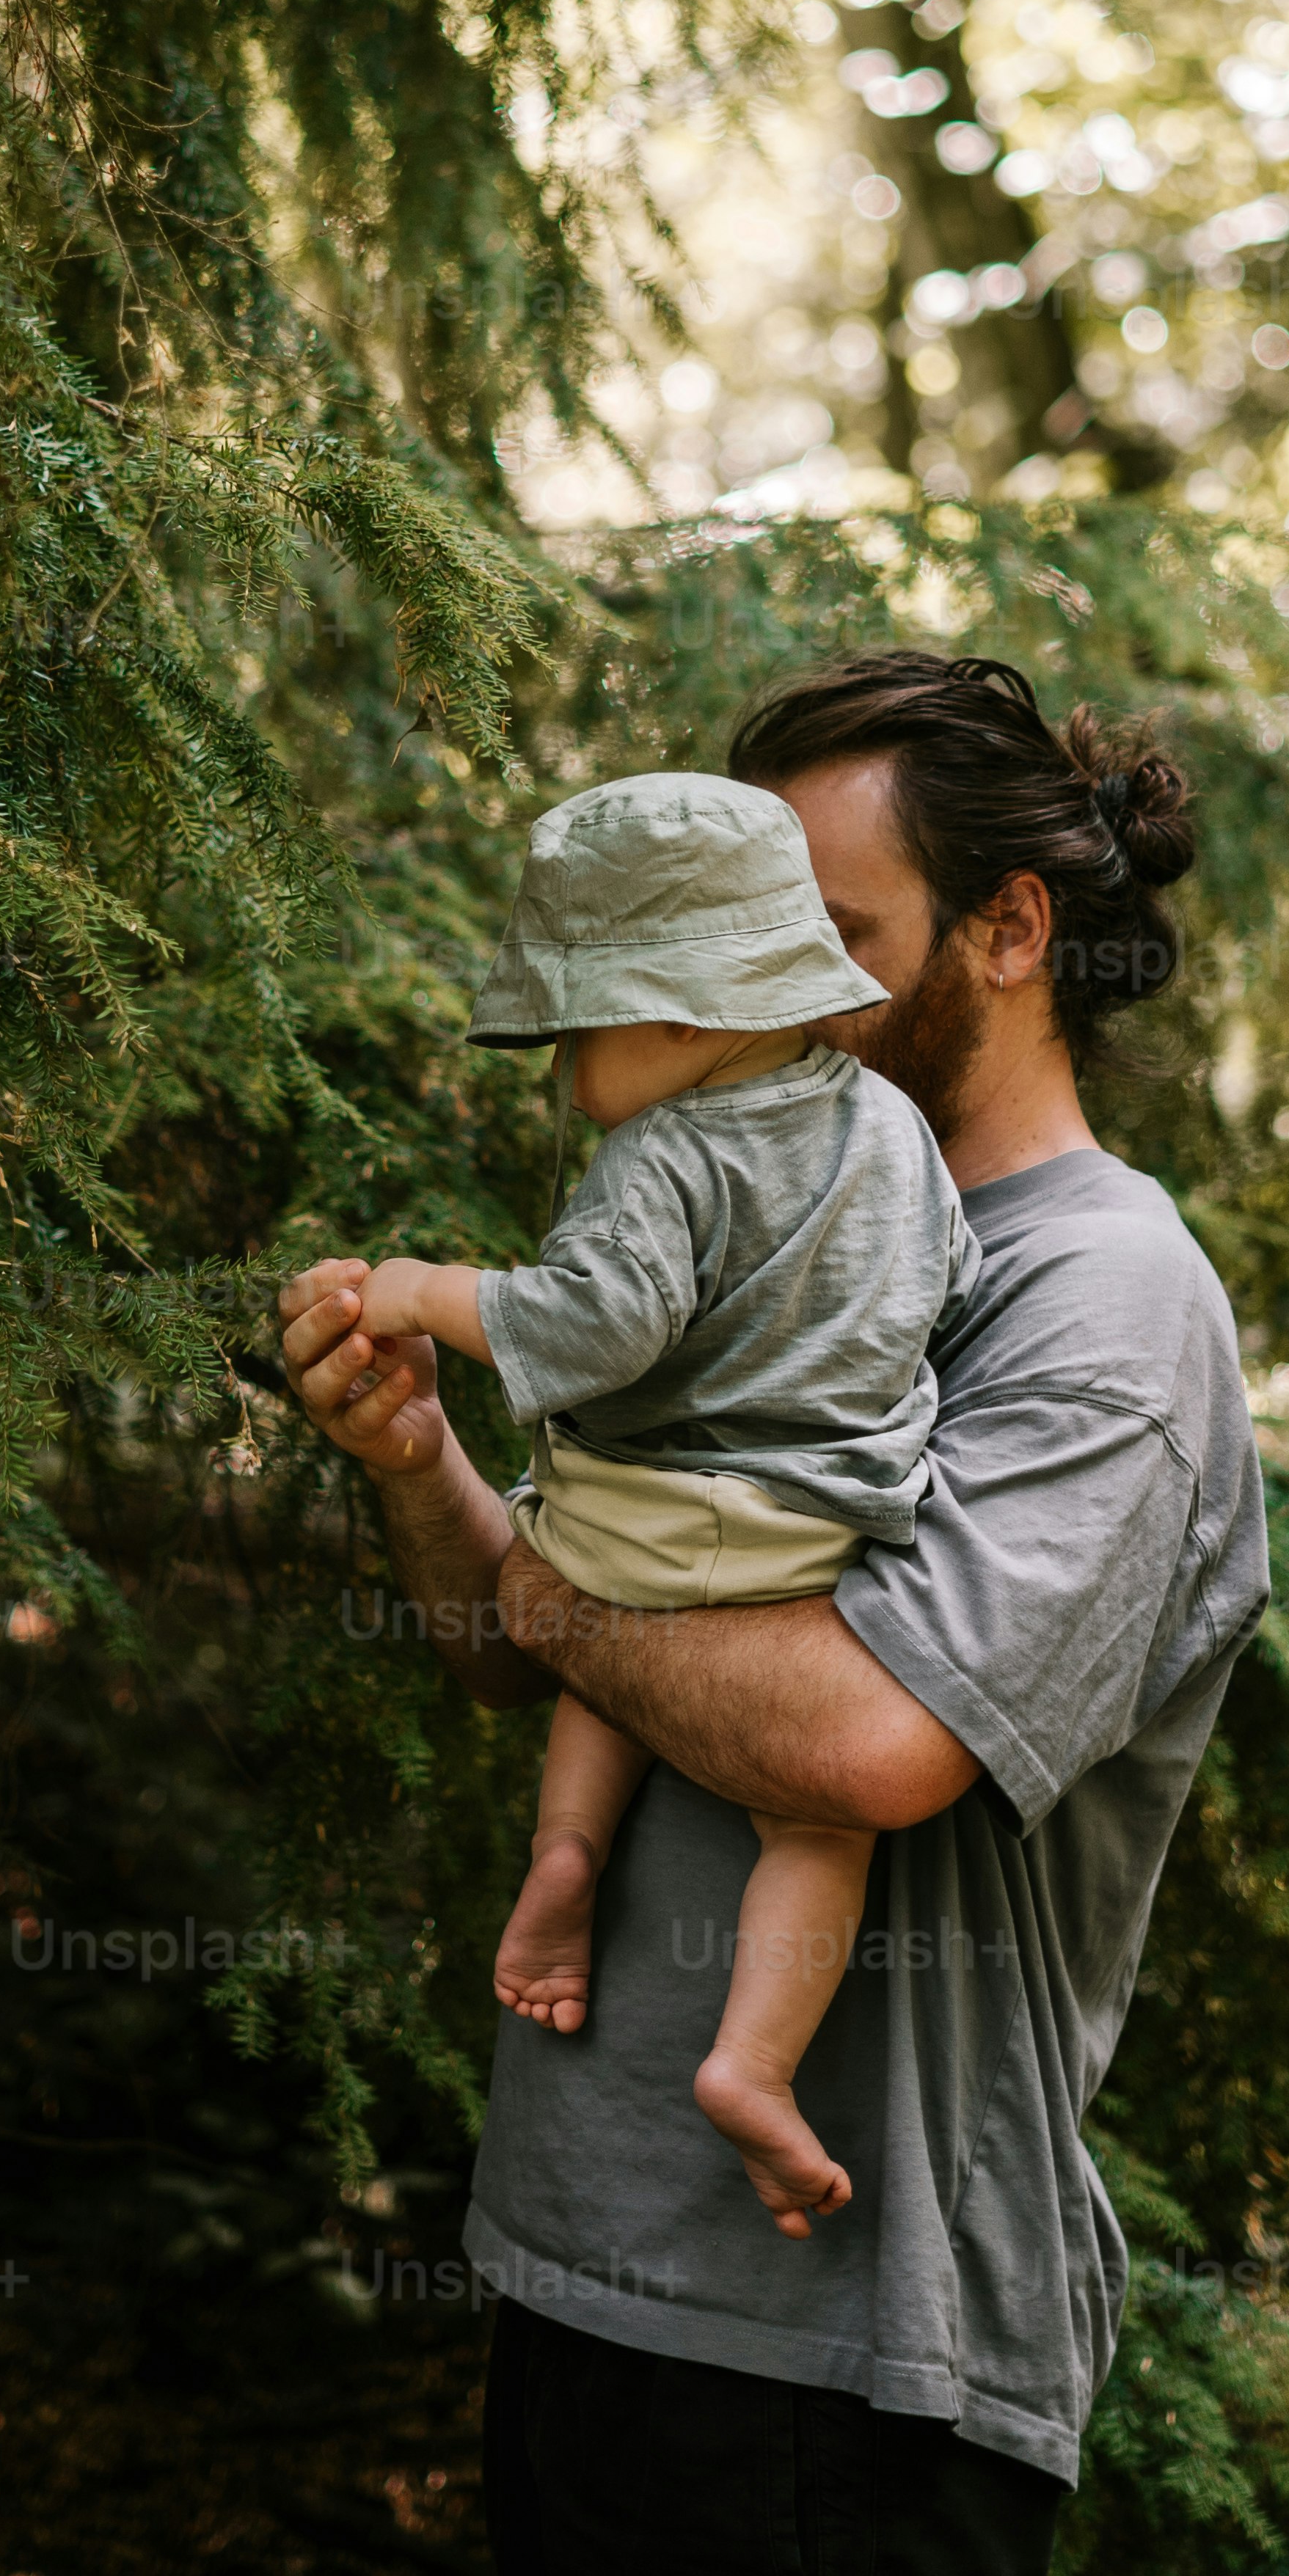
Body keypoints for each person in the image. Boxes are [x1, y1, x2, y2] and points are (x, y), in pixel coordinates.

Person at [278, 651, 1269, 2576]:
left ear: (1006, 933)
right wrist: (426, 1461)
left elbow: (858, 1739)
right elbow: (547, 1635)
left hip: (847, 2350)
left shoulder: (1101, 1301)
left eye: (822, 929)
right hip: (601, 2269)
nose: (762, 989)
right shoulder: (752, 1215)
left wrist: (561, 1595)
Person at [348, 767, 979, 2232]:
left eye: (579, 1031)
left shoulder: (664, 1154)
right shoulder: (891, 1128)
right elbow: (950, 1286)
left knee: (595, 1610)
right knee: (816, 1835)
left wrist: (419, 1290)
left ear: (689, 1014)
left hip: (635, 1514)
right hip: (816, 1532)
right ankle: (754, 2066)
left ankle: (563, 1851)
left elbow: (584, 1331)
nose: (567, 1077)